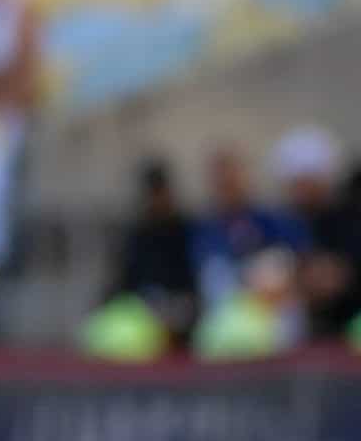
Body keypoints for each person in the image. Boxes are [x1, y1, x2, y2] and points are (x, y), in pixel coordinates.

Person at [270, 125, 361, 341]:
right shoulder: (283, 223)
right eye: (295, 183)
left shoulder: (348, 220)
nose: (300, 190)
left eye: (307, 181)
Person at [192, 146, 307, 309]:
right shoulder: (205, 228)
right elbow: (211, 274)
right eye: (222, 182)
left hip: (276, 307)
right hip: (230, 312)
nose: (228, 185)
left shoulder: (273, 218)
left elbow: (296, 259)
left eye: (233, 178)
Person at [110, 158, 198, 346]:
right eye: (153, 194)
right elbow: (126, 280)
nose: (157, 199)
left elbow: (192, 279)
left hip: (179, 306)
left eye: (160, 192)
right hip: (141, 309)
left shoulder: (184, 229)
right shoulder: (138, 233)